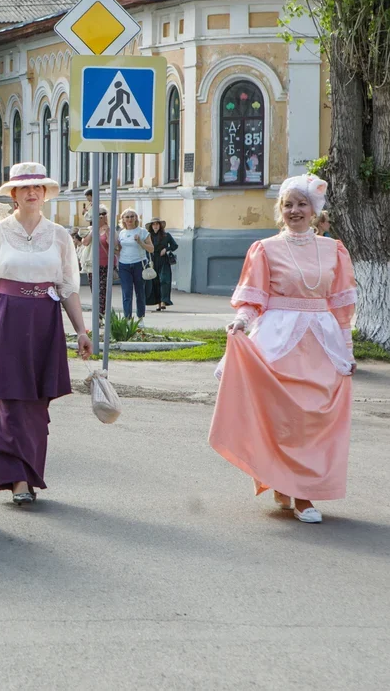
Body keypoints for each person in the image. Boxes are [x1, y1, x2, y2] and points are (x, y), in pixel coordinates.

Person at [210, 173, 357, 524]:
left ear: (314, 210)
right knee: (280, 417)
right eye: (288, 204)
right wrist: (241, 322)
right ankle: (282, 482)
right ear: (280, 211)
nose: (295, 210)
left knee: (313, 418)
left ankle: (304, 492)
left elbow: (340, 307)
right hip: (277, 341)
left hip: (321, 342)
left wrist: (347, 350)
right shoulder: (266, 249)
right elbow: (253, 298)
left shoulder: (333, 250)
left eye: (301, 204)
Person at [0, 163, 93, 505]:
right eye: (25, 188)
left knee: (37, 403)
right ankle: (16, 480)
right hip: (4, 318)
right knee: (10, 400)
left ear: (45, 194)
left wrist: (81, 331)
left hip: (44, 320)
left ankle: (31, 474)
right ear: (13, 195)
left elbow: (68, 287)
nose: (32, 192)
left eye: (38, 187)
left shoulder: (58, 235)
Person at [115, 209, 153, 319]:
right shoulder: (121, 233)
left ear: (136, 218)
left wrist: (140, 242)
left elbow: (151, 249)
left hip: (139, 264)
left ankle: (140, 318)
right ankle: (127, 319)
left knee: (140, 293)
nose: (130, 219)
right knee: (127, 293)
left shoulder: (142, 232)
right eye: (127, 217)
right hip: (124, 265)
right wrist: (113, 251)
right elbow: (120, 250)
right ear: (123, 219)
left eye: (132, 216)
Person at [79, 207, 110, 323]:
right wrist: (94, 229)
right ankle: (99, 315)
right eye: (99, 215)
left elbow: (113, 245)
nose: (101, 217)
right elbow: (85, 242)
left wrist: (106, 232)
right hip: (91, 264)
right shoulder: (90, 229)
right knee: (95, 291)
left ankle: (100, 316)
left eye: (103, 214)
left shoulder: (109, 229)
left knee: (102, 291)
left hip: (105, 264)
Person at [144, 218, 178, 311]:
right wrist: (147, 258)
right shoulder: (148, 236)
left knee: (164, 279)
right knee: (155, 282)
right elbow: (144, 247)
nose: (155, 226)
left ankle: (164, 301)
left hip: (163, 260)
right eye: (153, 224)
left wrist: (166, 249)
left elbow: (174, 246)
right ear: (151, 226)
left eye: (157, 224)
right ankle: (158, 303)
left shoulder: (166, 235)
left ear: (160, 226)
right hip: (152, 260)